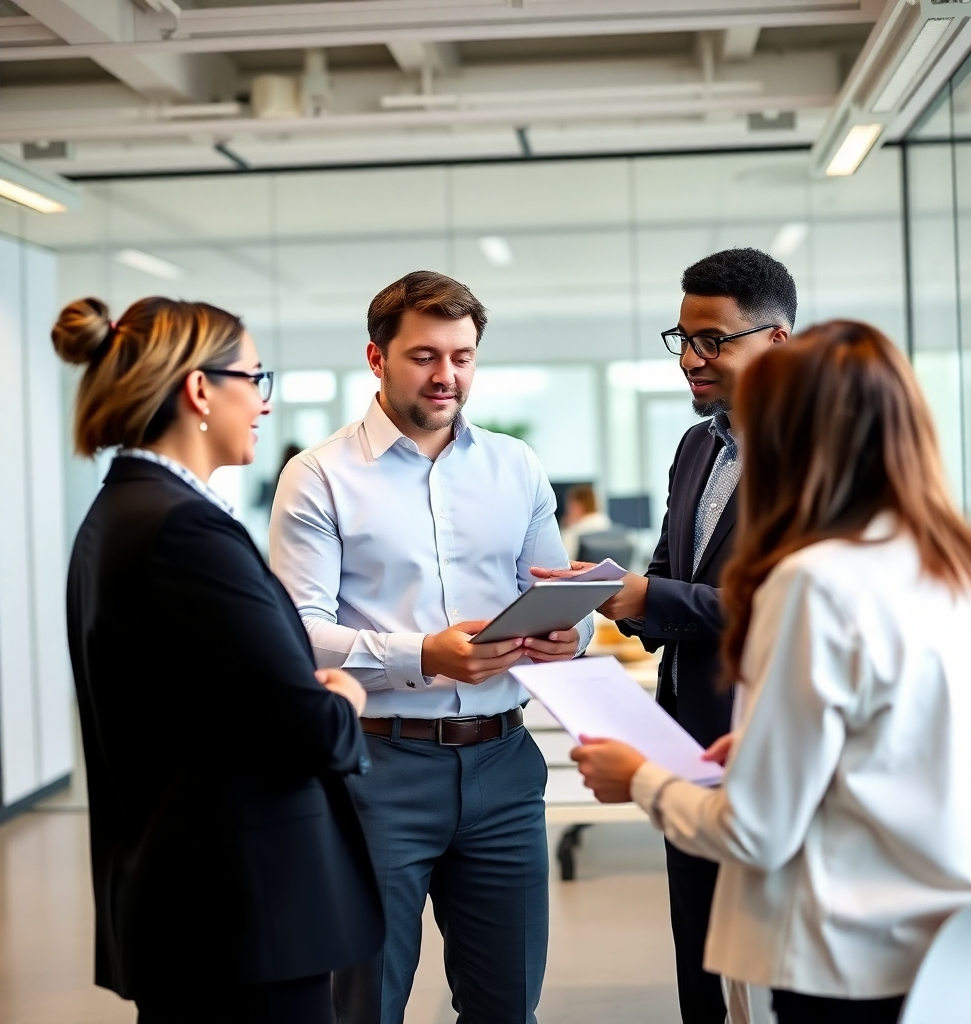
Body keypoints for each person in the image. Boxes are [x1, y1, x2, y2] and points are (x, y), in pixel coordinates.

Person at [571, 320, 971, 1024]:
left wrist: (638, 779)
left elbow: (756, 832)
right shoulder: (964, 574)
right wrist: (766, 751)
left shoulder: (814, 582)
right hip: (966, 955)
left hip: (853, 962)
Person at [269, 270, 593, 1024]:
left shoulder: (515, 466)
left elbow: (565, 609)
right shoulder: (318, 476)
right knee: (364, 1003)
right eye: (425, 356)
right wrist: (426, 655)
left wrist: (563, 632)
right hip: (377, 768)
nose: (447, 376)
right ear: (377, 359)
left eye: (463, 356)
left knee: (507, 1003)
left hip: (504, 766)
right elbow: (298, 633)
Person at [55, 296, 384, 1024]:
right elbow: (312, 728)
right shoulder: (184, 532)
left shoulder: (121, 513)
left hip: (194, 905)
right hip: (241, 915)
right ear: (201, 390)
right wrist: (344, 700)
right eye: (255, 379)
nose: (264, 404)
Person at [534, 247, 795, 1024]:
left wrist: (650, 595)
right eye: (681, 338)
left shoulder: (809, 461)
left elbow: (782, 608)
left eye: (713, 339)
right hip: (686, 741)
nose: (690, 358)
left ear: (776, 343)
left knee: (775, 969)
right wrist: (616, 597)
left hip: (768, 743)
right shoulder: (698, 446)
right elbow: (668, 568)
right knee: (701, 961)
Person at [560, 483, 612, 560]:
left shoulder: (575, 530)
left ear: (577, 505)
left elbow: (563, 559)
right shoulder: (605, 523)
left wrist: (565, 528)